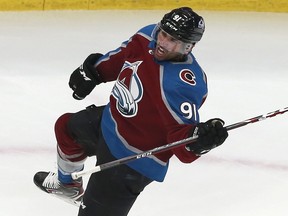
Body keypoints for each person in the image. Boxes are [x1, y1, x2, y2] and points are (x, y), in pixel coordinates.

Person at [34, 7, 228, 216]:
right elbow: (122, 57)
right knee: (67, 128)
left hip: (132, 160)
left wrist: (200, 141)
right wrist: (94, 72)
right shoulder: (147, 36)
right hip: (111, 122)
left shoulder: (182, 84)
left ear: (188, 47)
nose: (162, 42)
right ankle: (68, 186)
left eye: (172, 40)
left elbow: (182, 141)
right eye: (163, 33)